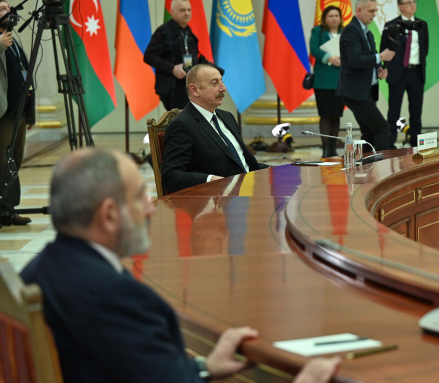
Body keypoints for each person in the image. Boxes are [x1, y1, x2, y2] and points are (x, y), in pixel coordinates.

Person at [21, 147, 341, 382]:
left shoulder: (36, 271)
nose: (151, 208)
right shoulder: (115, 299)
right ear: (109, 215)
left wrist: (202, 368)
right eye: (140, 197)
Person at [161, 63, 268, 195]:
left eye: (222, 81)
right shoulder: (183, 125)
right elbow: (170, 177)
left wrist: (277, 170)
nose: (223, 88)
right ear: (195, 90)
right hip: (219, 199)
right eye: (215, 83)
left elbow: (245, 163)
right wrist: (210, 180)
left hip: (249, 189)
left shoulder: (227, 117)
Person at [337, 0, 395, 152]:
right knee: (382, 129)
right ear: (359, 10)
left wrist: (379, 69)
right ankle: (382, 165)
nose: (374, 14)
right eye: (371, 11)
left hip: (365, 91)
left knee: (370, 133)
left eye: (375, 11)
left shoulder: (366, 32)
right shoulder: (351, 31)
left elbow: (369, 57)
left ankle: (367, 164)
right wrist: (380, 57)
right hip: (355, 92)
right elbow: (355, 60)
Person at [144, 0, 214, 111]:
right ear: (172, 12)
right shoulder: (163, 32)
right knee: (180, 119)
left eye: (189, 10)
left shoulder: (189, 33)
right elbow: (149, 56)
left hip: (189, 86)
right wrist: (172, 69)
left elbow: (195, 57)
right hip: (172, 88)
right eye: (182, 10)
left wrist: (214, 71)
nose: (187, 13)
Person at [380, 0, 429, 147]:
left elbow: (425, 49)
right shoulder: (391, 25)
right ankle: (390, 142)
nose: (412, 5)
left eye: (414, 2)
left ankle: (416, 141)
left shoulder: (422, 24)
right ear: (400, 6)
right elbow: (384, 49)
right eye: (408, 2)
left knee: (416, 110)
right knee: (394, 110)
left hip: (416, 72)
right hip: (397, 73)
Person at [0, 0, 33, 227]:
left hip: (19, 111)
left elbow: (25, 73)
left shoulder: (14, 38)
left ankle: (7, 209)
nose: (8, 11)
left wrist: (30, 113)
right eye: (2, 8)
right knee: (2, 162)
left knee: (15, 160)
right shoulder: (3, 41)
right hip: (3, 113)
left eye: (8, 7)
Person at [309, 6, 344, 158]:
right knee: (325, 115)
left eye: (337, 15)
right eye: (331, 16)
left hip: (340, 80)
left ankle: (333, 148)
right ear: (325, 18)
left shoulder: (345, 32)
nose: (334, 18)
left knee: (336, 115)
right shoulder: (318, 31)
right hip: (323, 81)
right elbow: (314, 49)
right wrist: (330, 58)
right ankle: (325, 148)